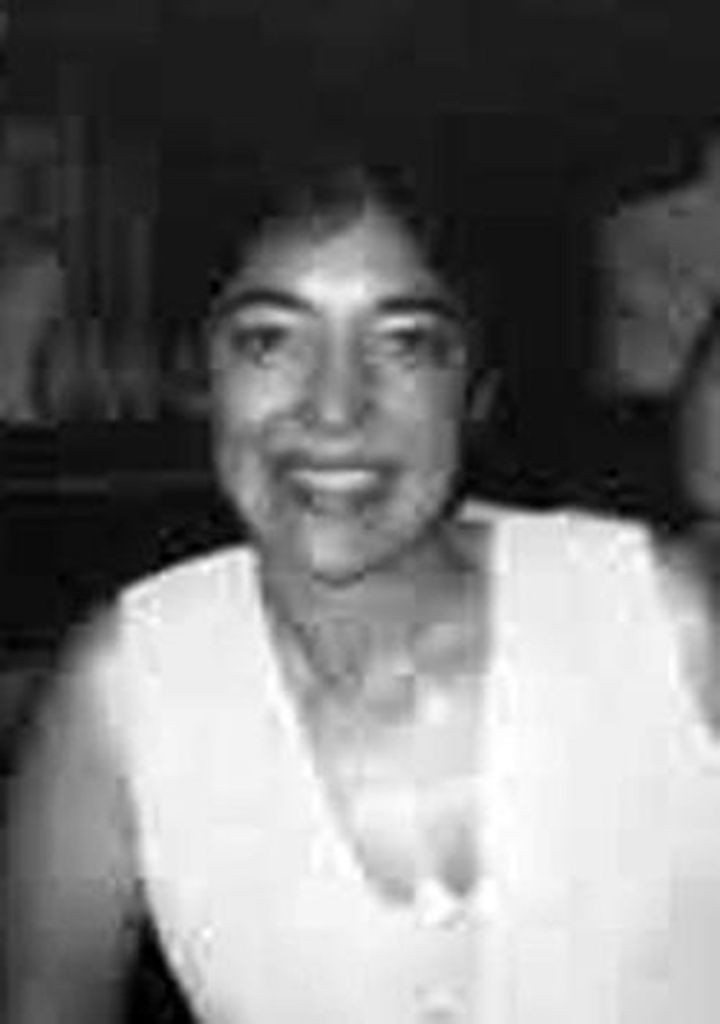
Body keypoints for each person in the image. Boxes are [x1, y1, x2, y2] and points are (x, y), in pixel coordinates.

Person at [4, 149, 720, 1024]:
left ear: (477, 385)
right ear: (200, 376)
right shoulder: (123, 695)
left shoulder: (667, 621)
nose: (335, 406)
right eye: (268, 339)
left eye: (406, 342)